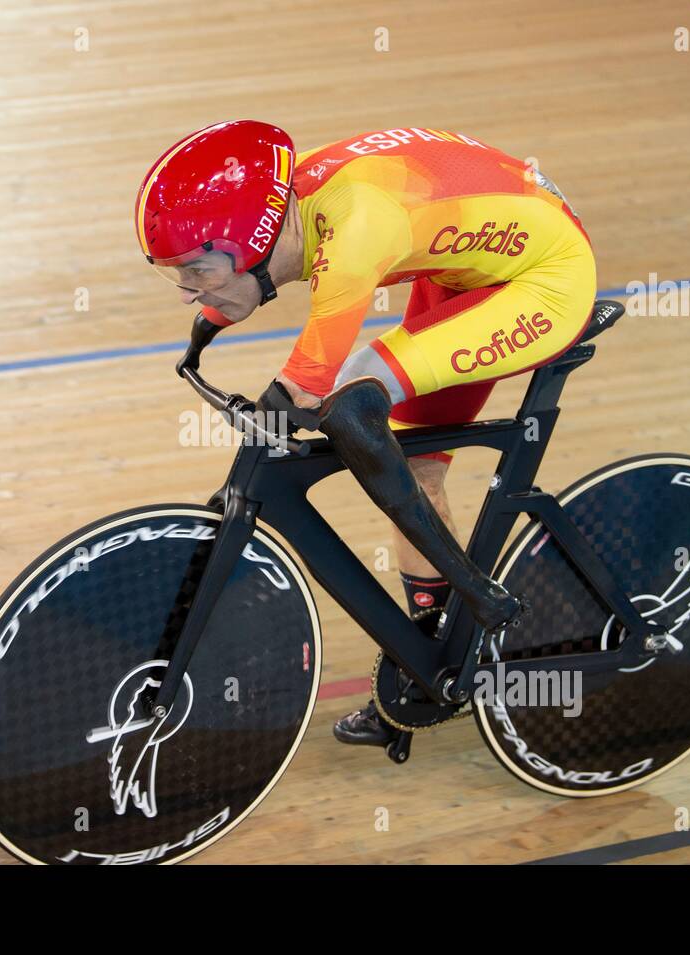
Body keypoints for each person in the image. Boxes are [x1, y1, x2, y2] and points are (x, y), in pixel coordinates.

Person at [135, 121, 596, 747]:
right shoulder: (290, 204)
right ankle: (431, 660)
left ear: (257, 241)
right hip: (463, 265)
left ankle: (480, 594)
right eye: (173, 276)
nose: (189, 290)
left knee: (352, 404)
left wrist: (261, 402)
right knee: (420, 463)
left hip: (545, 280)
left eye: (197, 271)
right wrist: (200, 340)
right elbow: (234, 299)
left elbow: (303, 388)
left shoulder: (353, 234)